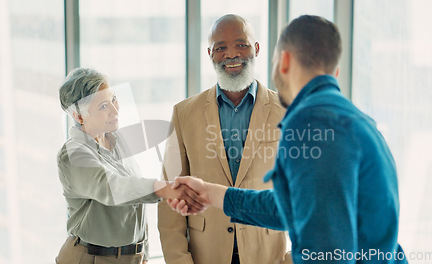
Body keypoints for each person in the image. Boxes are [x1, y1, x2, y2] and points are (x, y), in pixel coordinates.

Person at [169, 15, 408, 264]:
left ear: (283, 61)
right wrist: (211, 193)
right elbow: (295, 207)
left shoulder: (309, 119)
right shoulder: (353, 120)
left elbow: (328, 248)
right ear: (334, 71)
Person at [157, 14, 289, 264]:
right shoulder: (184, 113)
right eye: (221, 48)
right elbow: (169, 199)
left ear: (257, 49)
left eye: (241, 44)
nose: (231, 54)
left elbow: (309, 197)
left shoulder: (287, 111)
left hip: (269, 256)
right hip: (206, 256)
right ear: (210, 54)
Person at [55, 68, 204, 264]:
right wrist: (166, 189)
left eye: (114, 99)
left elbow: (136, 201)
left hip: (132, 257)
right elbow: (114, 188)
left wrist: (143, 251)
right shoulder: (73, 154)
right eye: (103, 106)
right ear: (79, 116)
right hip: (91, 258)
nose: (115, 110)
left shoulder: (117, 139)